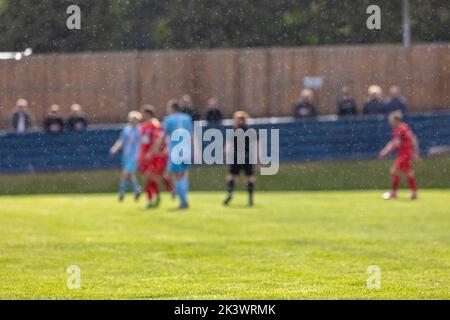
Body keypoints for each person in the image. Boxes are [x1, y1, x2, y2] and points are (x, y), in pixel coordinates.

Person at [378, 111, 420, 200]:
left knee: (395, 170)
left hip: (405, 154)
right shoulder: (398, 130)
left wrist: (415, 152)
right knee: (407, 173)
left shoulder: (402, 129)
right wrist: (385, 150)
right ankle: (413, 193)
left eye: (391, 120)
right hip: (403, 154)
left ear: (396, 120)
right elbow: (394, 142)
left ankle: (394, 193)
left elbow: (413, 139)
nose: (390, 122)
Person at [138, 105, 174, 208]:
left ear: (147, 114)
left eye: (143, 113)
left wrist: (151, 152)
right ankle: (153, 198)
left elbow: (157, 140)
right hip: (145, 155)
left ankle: (165, 192)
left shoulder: (155, 124)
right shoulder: (143, 126)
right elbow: (142, 142)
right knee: (146, 178)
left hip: (154, 155)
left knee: (152, 176)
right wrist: (141, 154)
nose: (142, 115)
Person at [163, 99, 193, 209]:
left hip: (175, 149)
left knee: (177, 176)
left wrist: (161, 147)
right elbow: (191, 134)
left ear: (172, 108)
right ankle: (183, 198)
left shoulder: (168, 119)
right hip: (186, 148)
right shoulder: (187, 118)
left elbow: (163, 135)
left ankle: (183, 201)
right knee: (184, 174)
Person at [224, 111, 257, 207]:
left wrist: (226, 152)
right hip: (248, 156)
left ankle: (230, 193)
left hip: (237, 156)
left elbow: (229, 143)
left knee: (231, 176)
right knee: (249, 178)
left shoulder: (235, 130)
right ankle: (250, 199)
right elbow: (256, 142)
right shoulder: (249, 130)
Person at [109, 111, 142, 202]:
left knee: (125, 173)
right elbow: (121, 141)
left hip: (135, 155)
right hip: (126, 155)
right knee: (130, 175)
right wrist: (115, 148)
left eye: (135, 119)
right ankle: (137, 190)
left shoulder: (140, 130)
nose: (132, 121)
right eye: (131, 119)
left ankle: (121, 193)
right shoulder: (126, 129)